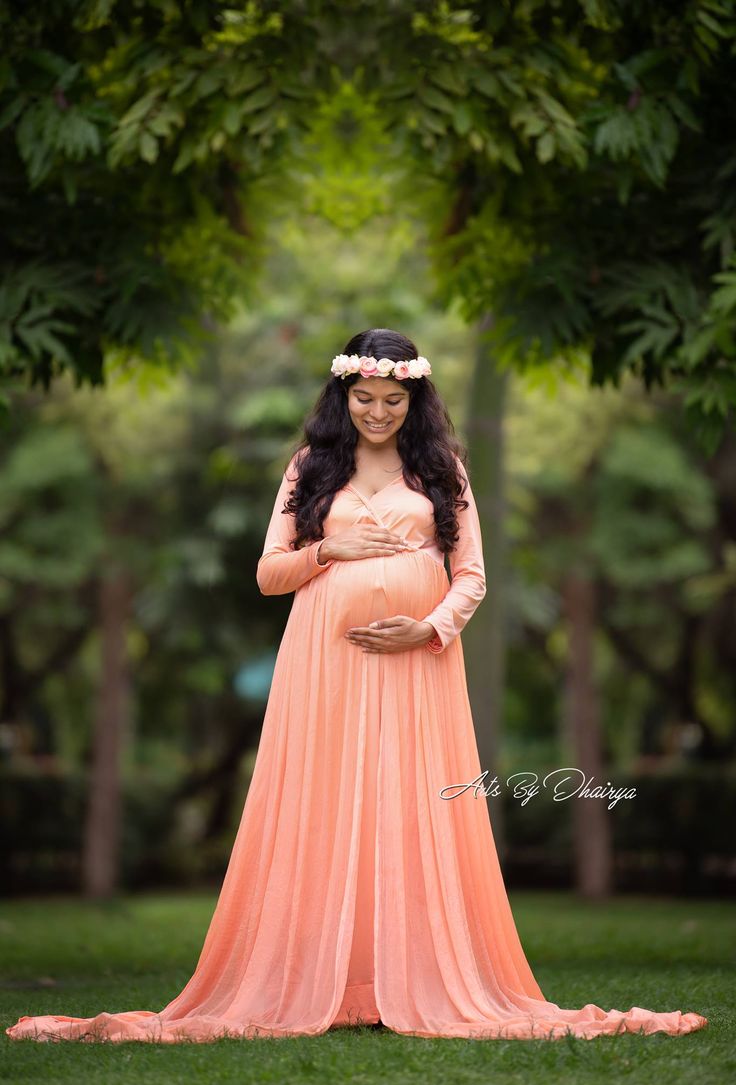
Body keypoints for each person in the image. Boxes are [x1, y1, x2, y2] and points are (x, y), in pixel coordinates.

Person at [6, 328, 708, 1043]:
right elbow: (268, 573)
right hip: (325, 666)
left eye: (393, 400)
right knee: (328, 802)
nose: (378, 412)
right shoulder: (311, 467)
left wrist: (429, 628)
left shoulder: (443, 471)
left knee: (408, 805)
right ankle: (324, 979)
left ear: (416, 398)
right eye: (366, 398)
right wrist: (328, 549)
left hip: (419, 666)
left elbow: (472, 577)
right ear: (344, 394)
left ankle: (412, 975)